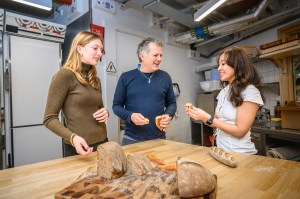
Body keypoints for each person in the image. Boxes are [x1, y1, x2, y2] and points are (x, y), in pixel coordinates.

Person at [186, 46, 265, 154]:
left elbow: (240, 131)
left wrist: (208, 117)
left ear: (237, 65)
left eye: (223, 64)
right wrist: (199, 115)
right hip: (221, 152)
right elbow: (216, 122)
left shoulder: (250, 91)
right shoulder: (224, 92)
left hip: (240, 154)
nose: (219, 68)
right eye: (219, 64)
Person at [44, 31, 109, 157]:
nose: (100, 53)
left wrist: (106, 113)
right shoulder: (65, 75)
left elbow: (99, 109)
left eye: (101, 50)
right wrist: (72, 137)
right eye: (95, 48)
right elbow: (49, 118)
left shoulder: (96, 80)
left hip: (103, 142)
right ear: (79, 49)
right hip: (79, 147)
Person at [112, 37, 177, 145]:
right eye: (155, 55)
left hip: (159, 139)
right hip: (131, 140)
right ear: (142, 56)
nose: (159, 59)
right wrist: (130, 116)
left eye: (161, 55)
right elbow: (116, 106)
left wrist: (169, 114)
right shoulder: (126, 77)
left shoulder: (165, 77)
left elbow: (172, 103)